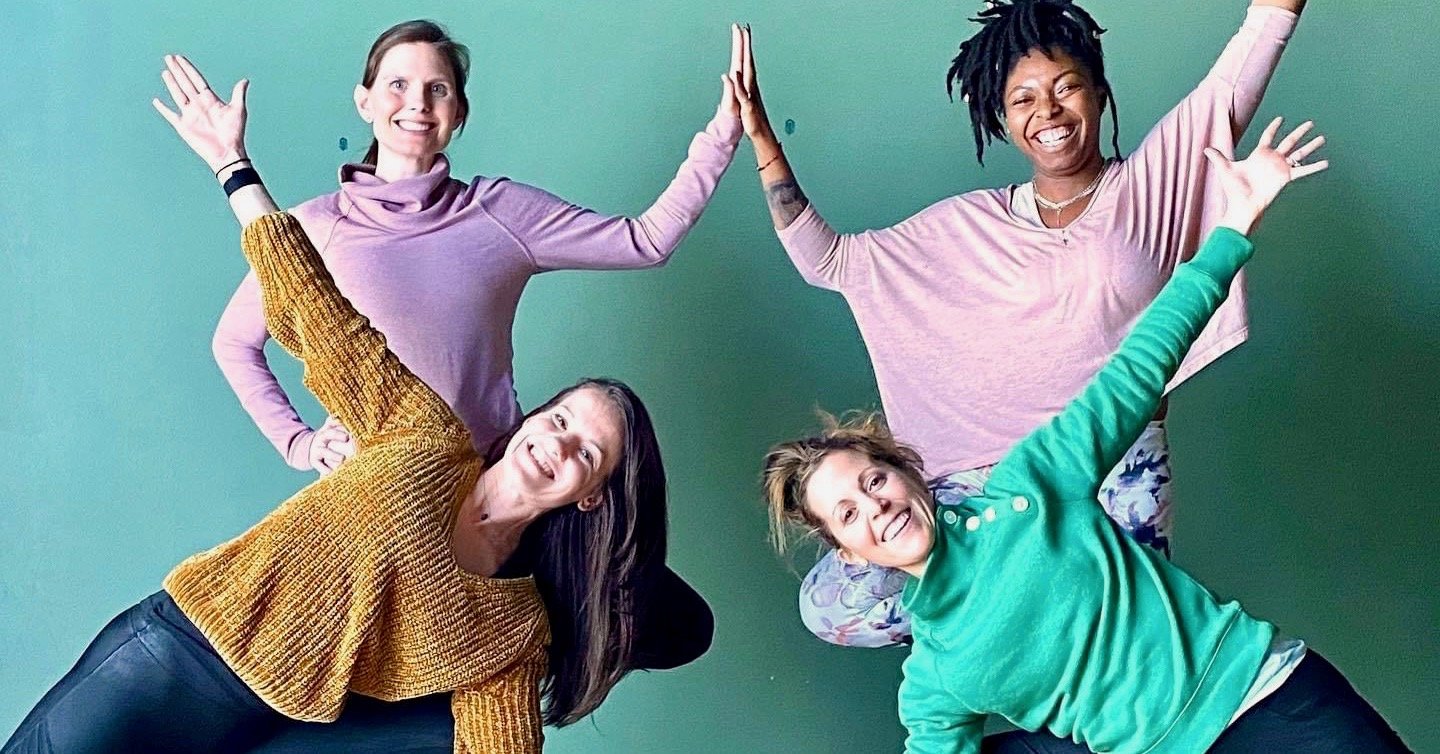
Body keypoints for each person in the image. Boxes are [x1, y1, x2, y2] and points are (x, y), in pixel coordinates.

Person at [764, 121, 1409, 753]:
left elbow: (1135, 372)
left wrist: (1233, 229)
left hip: (1265, 697)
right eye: (848, 513)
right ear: (847, 553)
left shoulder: (1032, 482)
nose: (875, 506)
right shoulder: (934, 676)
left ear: (907, 470)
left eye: (874, 479)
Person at [728, 0, 1308, 648]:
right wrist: (762, 139)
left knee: (1120, 626)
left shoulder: (1150, 187)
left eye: (1066, 88)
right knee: (832, 606)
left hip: (1102, 470)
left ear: (1097, 92)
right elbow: (827, 259)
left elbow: (1236, 74)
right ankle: (1016, 640)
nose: (1048, 112)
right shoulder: (968, 225)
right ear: (1002, 119)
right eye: (1024, 99)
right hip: (980, 489)